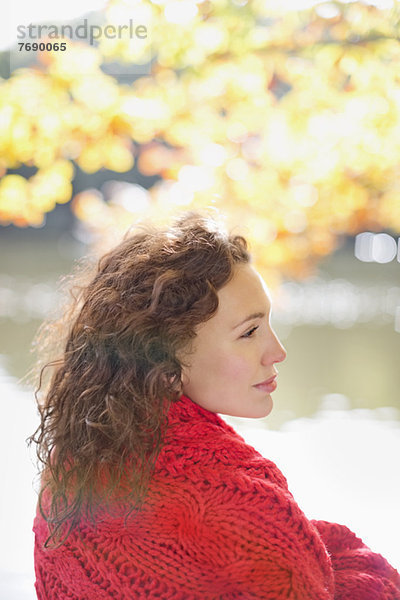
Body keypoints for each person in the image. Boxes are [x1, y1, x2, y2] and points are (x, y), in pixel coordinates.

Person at [31, 212, 400, 599]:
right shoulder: (242, 507)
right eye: (250, 332)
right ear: (165, 363)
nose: (278, 351)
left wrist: (305, 545)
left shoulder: (71, 471)